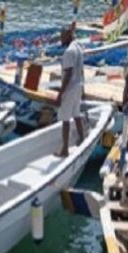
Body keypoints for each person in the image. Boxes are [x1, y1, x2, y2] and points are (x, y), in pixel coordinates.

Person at [56, 27, 85, 157]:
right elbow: (81, 70)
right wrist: (83, 89)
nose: (61, 38)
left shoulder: (69, 51)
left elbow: (68, 73)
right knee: (76, 113)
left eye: (62, 36)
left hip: (70, 88)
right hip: (78, 85)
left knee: (65, 118)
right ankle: (82, 137)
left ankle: (65, 150)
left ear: (68, 35)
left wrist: (60, 93)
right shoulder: (79, 48)